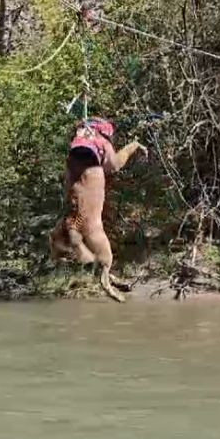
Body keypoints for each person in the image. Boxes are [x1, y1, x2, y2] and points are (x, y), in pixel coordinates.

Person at [49, 117, 147, 302]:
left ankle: (99, 271)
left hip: (76, 206)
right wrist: (133, 146)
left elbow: (67, 182)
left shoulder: (72, 155)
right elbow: (114, 165)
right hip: (88, 214)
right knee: (97, 238)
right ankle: (105, 278)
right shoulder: (102, 141)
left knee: (71, 231)